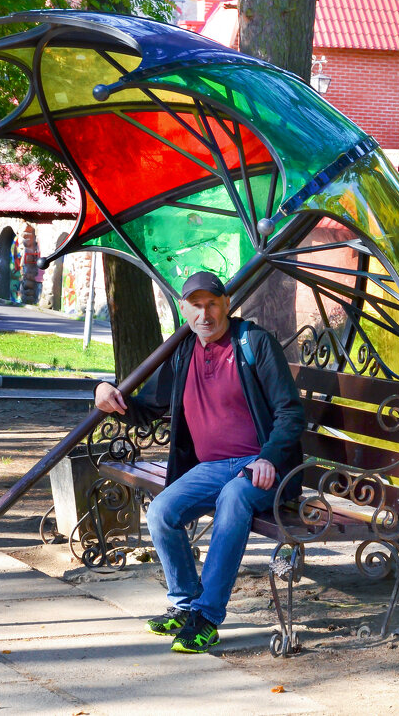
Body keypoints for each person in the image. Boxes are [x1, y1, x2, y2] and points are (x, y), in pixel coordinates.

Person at [94, 271, 304, 654]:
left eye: (212, 304)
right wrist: (106, 392)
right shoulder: (184, 350)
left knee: (234, 499)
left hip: (259, 467)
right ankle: (185, 602)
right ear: (184, 310)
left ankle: (205, 619)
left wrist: (269, 458)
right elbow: (149, 408)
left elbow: (290, 412)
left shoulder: (254, 343)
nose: (204, 314)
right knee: (161, 512)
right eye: (196, 305)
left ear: (226, 304)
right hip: (211, 468)